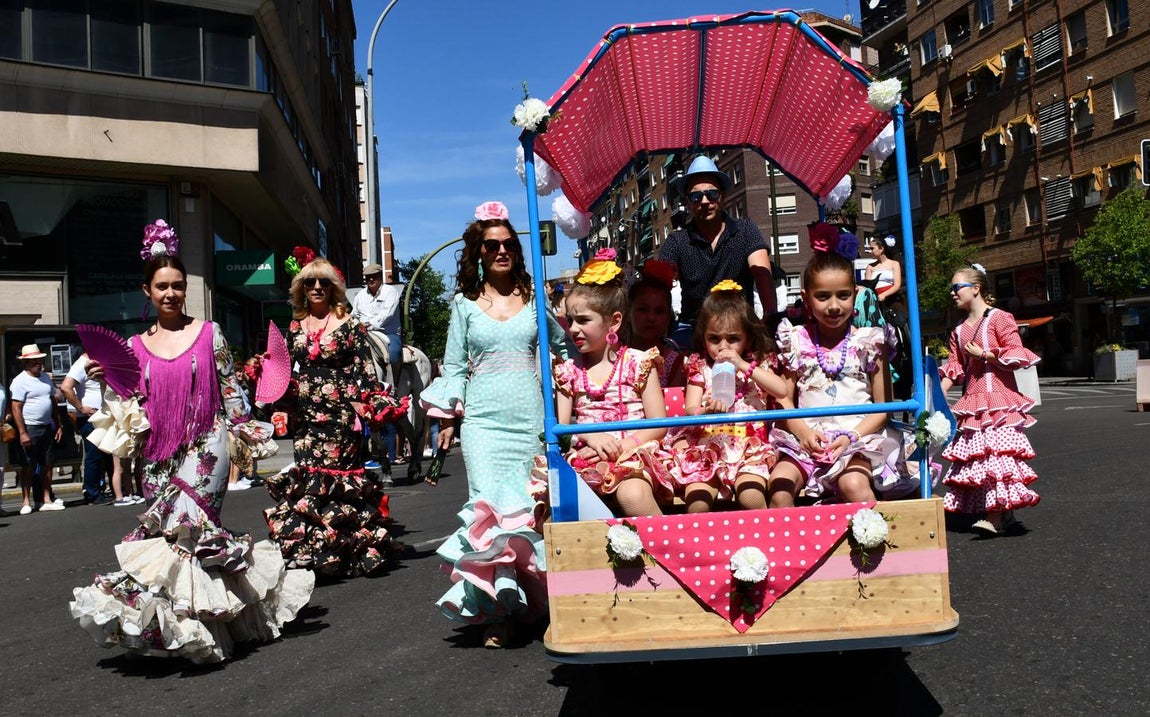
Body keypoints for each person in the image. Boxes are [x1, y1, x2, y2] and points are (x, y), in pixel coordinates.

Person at [70, 221, 314, 662]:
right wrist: (106, 380)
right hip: (157, 452)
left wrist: (248, 432)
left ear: (186, 289)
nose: (170, 294)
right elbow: (130, 407)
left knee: (191, 528)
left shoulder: (209, 333)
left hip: (208, 443)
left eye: (178, 286)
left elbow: (231, 389)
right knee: (168, 540)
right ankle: (190, 628)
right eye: (161, 286)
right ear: (147, 291)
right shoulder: (133, 347)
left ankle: (204, 634)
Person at [421, 200, 571, 648]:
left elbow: (562, 348)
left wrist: (571, 399)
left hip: (531, 420)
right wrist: (448, 418)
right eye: (492, 245)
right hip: (484, 425)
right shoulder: (464, 305)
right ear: (479, 252)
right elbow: (454, 367)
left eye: (508, 244)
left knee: (529, 514)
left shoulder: (535, 296)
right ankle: (498, 613)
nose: (502, 251)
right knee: (489, 517)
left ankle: (541, 604)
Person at [264, 256, 405, 578]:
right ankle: (310, 547)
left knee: (340, 477)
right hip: (306, 412)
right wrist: (277, 395)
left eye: (323, 283)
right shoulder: (296, 325)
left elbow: (365, 369)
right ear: (301, 288)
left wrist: (372, 402)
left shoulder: (349, 324)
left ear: (333, 288)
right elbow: (285, 370)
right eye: (310, 283)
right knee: (309, 475)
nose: (316, 288)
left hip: (341, 410)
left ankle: (344, 548)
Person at [767, 251, 908, 508]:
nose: (834, 306)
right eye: (823, 296)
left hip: (857, 440)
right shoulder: (796, 340)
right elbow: (783, 398)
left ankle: (874, 536)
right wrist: (803, 432)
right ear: (806, 299)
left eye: (843, 295)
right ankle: (793, 544)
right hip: (807, 440)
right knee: (780, 486)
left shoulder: (870, 341)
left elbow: (883, 408)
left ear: (855, 294)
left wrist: (851, 437)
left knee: (852, 484)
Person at [554, 252, 670, 518]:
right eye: (570, 321)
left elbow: (659, 424)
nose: (573, 329)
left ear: (614, 321)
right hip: (589, 456)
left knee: (633, 495)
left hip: (634, 454)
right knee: (566, 497)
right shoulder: (567, 371)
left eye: (583, 320)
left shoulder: (639, 363)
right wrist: (589, 436)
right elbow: (560, 428)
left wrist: (627, 444)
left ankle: (664, 553)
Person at [939, 264, 1040, 536]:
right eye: (951, 288)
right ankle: (1003, 516)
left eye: (956, 287)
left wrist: (986, 354)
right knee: (981, 461)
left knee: (997, 458)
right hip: (973, 401)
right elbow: (955, 367)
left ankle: (995, 517)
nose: (952, 293)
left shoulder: (999, 318)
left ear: (976, 288)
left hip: (999, 401)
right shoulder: (958, 330)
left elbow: (1017, 353)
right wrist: (936, 393)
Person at [671, 282, 788, 512]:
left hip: (749, 449)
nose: (723, 346)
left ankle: (761, 543)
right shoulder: (700, 366)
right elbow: (690, 408)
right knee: (697, 501)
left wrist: (744, 365)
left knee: (751, 497)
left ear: (748, 338)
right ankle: (700, 545)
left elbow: (781, 390)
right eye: (714, 339)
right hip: (709, 447)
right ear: (703, 338)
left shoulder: (758, 364)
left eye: (733, 338)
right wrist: (705, 411)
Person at [658, 155, 777, 346]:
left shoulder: (745, 230)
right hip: (693, 327)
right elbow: (659, 283)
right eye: (696, 196)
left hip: (739, 325)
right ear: (688, 202)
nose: (704, 201)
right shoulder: (677, 241)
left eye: (711, 194)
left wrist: (771, 316)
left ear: (723, 195)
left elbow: (762, 274)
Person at [351, 263, 403, 473]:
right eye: (367, 278)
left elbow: (388, 315)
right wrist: (357, 324)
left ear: (380, 277)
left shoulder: (391, 292)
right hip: (364, 334)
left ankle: (396, 382)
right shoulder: (360, 296)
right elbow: (354, 314)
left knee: (394, 353)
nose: (370, 280)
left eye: (373, 277)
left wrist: (369, 324)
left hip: (387, 333)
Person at [8, 343, 66, 515]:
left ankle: (46, 498)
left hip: (46, 426)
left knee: (48, 464)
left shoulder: (45, 378)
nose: (38, 364)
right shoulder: (19, 381)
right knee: (28, 465)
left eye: (40, 360)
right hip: (30, 426)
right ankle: (26, 500)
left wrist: (58, 424)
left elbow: (53, 401)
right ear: (26, 363)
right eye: (34, 361)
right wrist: (23, 432)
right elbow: (16, 408)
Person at [61, 353, 114, 505]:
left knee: (105, 455)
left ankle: (101, 489)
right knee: (93, 455)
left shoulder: (99, 361)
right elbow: (66, 387)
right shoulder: (81, 363)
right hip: (91, 417)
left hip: (103, 415)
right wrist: (81, 408)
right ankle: (92, 493)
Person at [626, 260, 686, 388]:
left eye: (659, 311)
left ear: (668, 317)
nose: (651, 318)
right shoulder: (613, 359)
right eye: (643, 309)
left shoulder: (677, 364)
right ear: (628, 312)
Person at [865, 235, 903, 303]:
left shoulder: (894, 264)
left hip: (890, 298)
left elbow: (897, 284)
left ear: (881, 249)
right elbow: (868, 287)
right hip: (875, 298)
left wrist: (884, 294)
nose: (870, 251)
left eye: (872, 248)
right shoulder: (870, 267)